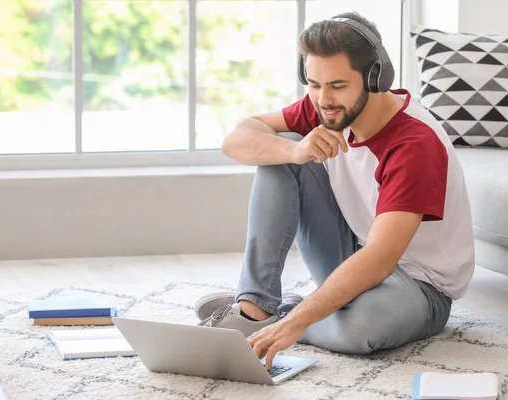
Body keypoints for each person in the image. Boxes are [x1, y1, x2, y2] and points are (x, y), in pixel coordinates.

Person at [195, 11, 475, 370]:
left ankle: (283, 315)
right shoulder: (327, 108)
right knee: (279, 153)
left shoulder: (414, 143)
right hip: (349, 253)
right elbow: (236, 139)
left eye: (338, 85)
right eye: (313, 84)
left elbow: (380, 259)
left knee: (363, 328)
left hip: (420, 287)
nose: (323, 99)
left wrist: (297, 323)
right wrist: (294, 151)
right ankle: (255, 307)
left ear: (375, 78)